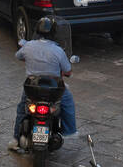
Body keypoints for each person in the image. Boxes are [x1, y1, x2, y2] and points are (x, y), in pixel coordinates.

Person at [8, 16, 76, 152]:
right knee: (68, 102)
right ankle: (69, 131)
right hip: (53, 90)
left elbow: (18, 56)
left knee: (22, 110)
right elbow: (68, 71)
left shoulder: (28, 46)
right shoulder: (58, 51)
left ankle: (16, 139)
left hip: (32, 88)